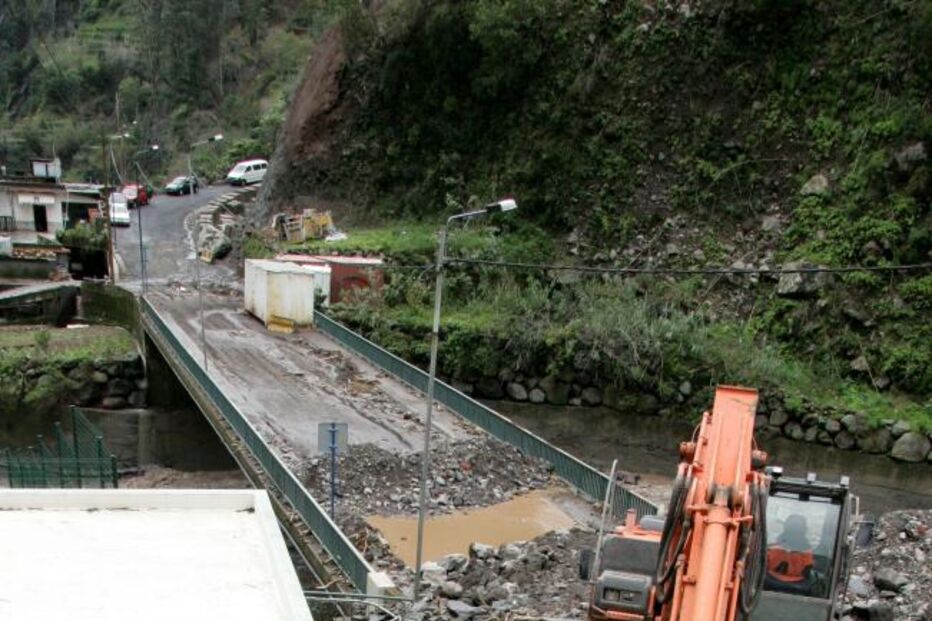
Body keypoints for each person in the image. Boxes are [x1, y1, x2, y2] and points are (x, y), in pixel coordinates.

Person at [766, 514, 815, 594]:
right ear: (804, 530)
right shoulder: (807, 552)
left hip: (769, 583)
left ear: (785, 527)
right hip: (798, 588)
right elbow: (807, 571)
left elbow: (765, 563)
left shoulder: (773, 547)